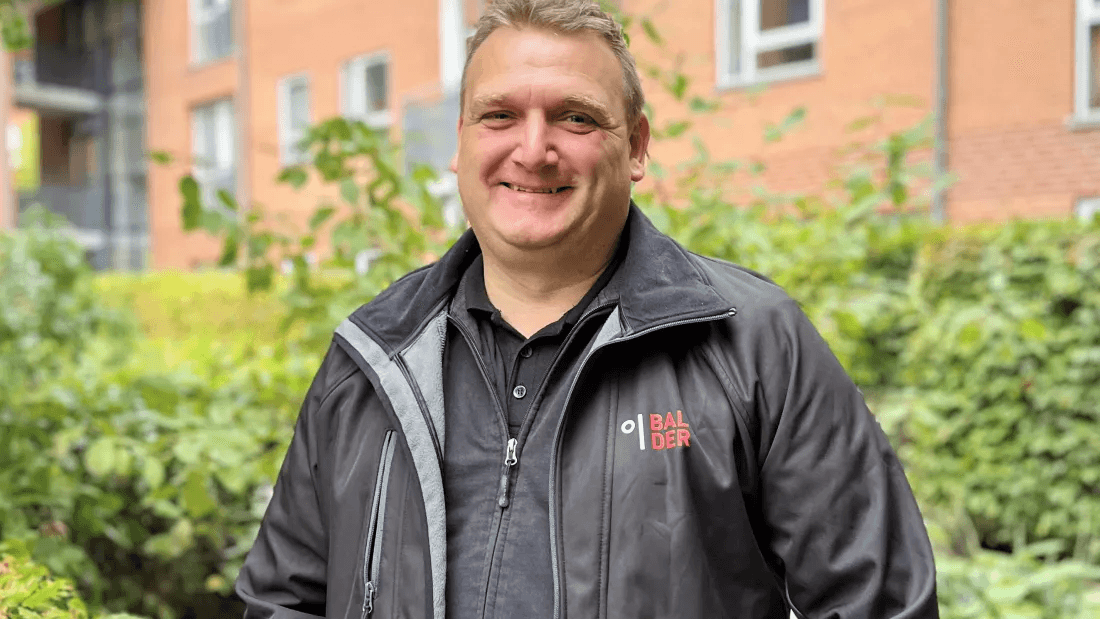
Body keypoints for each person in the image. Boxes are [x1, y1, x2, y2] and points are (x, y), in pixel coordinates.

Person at [235, 0, 939, 616]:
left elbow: (877, 602)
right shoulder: (371, 355)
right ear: (459, 142)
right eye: (500, 115)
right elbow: (281, 600)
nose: (533, 149)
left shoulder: (754, 344)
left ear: (635, 146)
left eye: (574, 117)